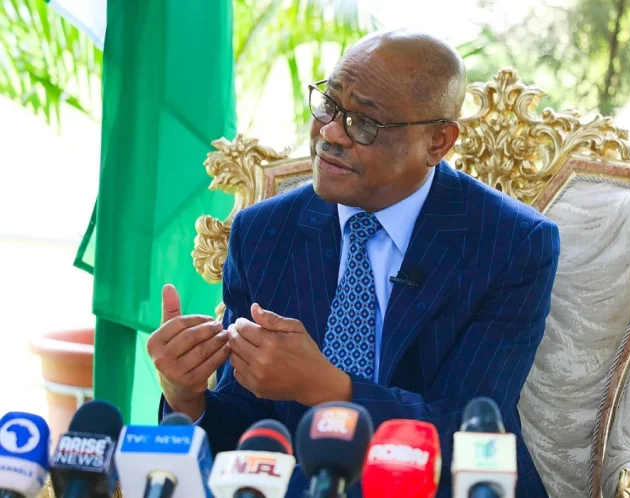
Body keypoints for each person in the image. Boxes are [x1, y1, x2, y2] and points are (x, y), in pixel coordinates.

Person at [147, 30, 559, 498]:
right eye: (328, 104)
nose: (329, 133)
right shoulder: (263, 233)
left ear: (437, 142)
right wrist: (187, 395)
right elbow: (249, 437)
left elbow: (472, 430)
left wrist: (328, 387)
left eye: (365, 122)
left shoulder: (512, 244)